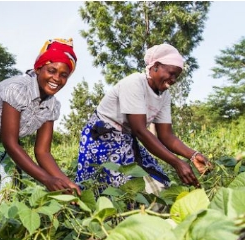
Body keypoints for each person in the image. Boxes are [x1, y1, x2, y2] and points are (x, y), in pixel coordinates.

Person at [0, 38, 81, 211]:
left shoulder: (52, 105)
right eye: (51, 71)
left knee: (9, 189)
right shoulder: (18, 89)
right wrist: (46, 179)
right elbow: (11, 143)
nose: (56, 78)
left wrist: (66, 183)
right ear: (38, 68)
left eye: (63, 75)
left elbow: (43, 151)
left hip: (3, 141)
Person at [75, 43, 211, 196]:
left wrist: (192, 155)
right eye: (171, 73)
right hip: (101, 138)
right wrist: (177, 163)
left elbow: (166, 135)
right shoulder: (134, 83)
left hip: (125, 139)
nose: (173, 80)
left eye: (176, 77)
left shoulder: (164, 95)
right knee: (109, 189)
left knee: (160, 184)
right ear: (156, 66)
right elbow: (140, 130)